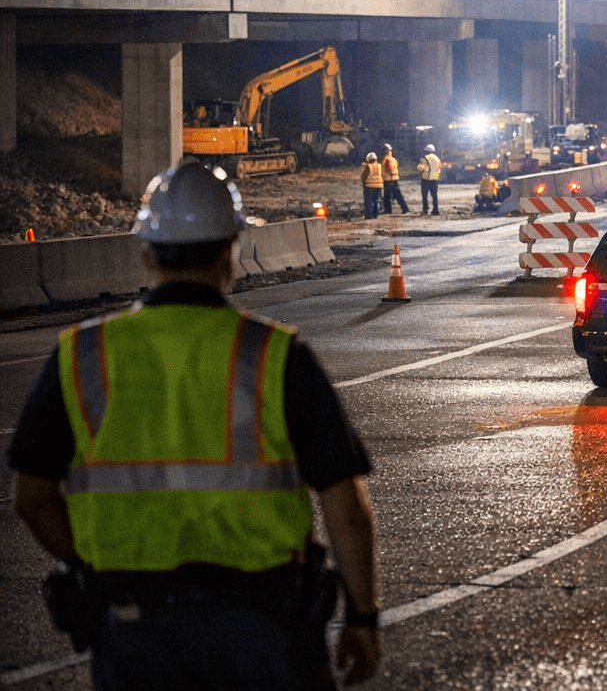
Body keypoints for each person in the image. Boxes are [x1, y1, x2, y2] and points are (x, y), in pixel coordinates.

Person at [6, 163, 381, 689]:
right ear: (232, 250)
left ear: (146, 253)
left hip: (134, 629)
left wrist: (88, 564)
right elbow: (346, 503)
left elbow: (31, 498)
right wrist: (363, 617)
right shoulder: (276, 355)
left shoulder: (81, 355)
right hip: (265, 628)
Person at [379, 144, 409, 216]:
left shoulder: (387, 159)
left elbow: (391, 168)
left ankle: (399, 209)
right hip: (392, 179)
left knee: (392, 195)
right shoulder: (392, 159)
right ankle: (401, 208)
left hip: (390, 179)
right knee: (391, 195)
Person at [417, 144, 441, 216]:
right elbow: (439, 169)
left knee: (425, 196)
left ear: (427, 151)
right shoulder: (437, 158)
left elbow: (422, 168)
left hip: (426, 179)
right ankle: (435, 210)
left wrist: (419, 166)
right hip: (434, 179)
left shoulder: (424, 158)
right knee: (434, 196)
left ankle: (425, 209)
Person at [360, 152, 383, 219]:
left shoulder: (368, 166)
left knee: (368, 201)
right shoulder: (379, 166)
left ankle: (369, 215)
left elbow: (364, 176)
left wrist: (364, 185)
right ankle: (375, 214)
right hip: (378, 185)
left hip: (369, 185)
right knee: (376, 200)